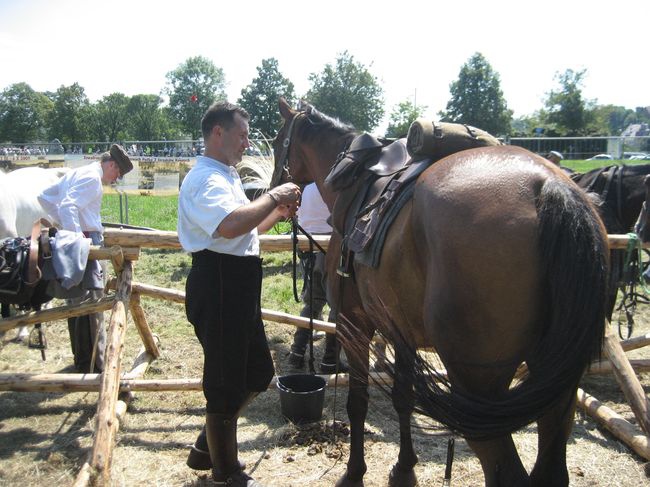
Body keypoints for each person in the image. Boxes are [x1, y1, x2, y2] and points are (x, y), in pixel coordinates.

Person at [178, 101, 300, 487]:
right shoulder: (205, 180)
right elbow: (230, 225)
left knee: (258, 372)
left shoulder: (223, 175)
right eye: (242, 134)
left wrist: (275, 213)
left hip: (236, 283)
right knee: (225, 381)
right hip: (218, 284)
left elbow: (244, 228)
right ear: (218, 133)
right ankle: (225, 472)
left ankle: (207, 446)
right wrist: (273, 194)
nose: (247, 143)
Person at [38, 144, 133, 373]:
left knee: (75, 300)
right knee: (93, 302)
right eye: (117, 174)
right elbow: (69, 205)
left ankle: (82, 360)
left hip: (74, 241)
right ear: (111, 165)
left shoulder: (77, 172)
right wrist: (78, 238)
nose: (115, 179)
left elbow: (46, 198)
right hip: (85, 242)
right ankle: (96, 364)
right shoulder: (91, 178)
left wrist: (60, 226)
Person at [287, 182, 347, 374]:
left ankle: (297, 352)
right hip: (327, 249)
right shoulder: (334, 187)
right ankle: (330, 360)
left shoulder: (307, 189)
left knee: (312, 303)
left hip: (307, 250)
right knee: (336, 304)